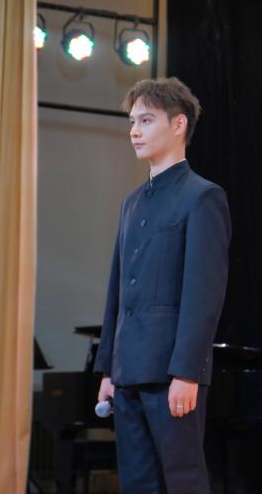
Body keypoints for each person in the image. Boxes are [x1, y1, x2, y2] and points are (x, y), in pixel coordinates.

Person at [94, 77, 231, 494]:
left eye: (146, 120)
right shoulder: (131, 203)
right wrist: (108, 368)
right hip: (128, 370)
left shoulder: (202, 197)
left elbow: (203, 296)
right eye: (132, 122)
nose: (134, 131)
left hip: (172, 371)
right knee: (137, 483)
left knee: (183, 479)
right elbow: (117, 292)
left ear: (178, 124)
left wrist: (187, 372)